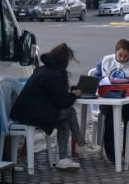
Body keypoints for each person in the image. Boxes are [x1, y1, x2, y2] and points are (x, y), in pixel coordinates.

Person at [10, 43, 85, 171]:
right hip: (32, 114)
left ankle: (63, 159)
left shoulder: (43, 69)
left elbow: (55, 97)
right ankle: (81, 144)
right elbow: (63, 103)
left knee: (65, 121)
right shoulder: (54, 75)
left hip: (26, 111)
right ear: (64, 61)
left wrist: (69, 94)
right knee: (70, 111)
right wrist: (74, 95)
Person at [93, 38, 129, 162]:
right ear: (115, 52)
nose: (122, 59)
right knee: (109, 120)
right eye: (120, 55)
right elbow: (95, 78)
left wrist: (127, 82)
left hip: (128, 100)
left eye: (126, 56)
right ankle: (112, 154)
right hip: (108, 99)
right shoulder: (106, 61)